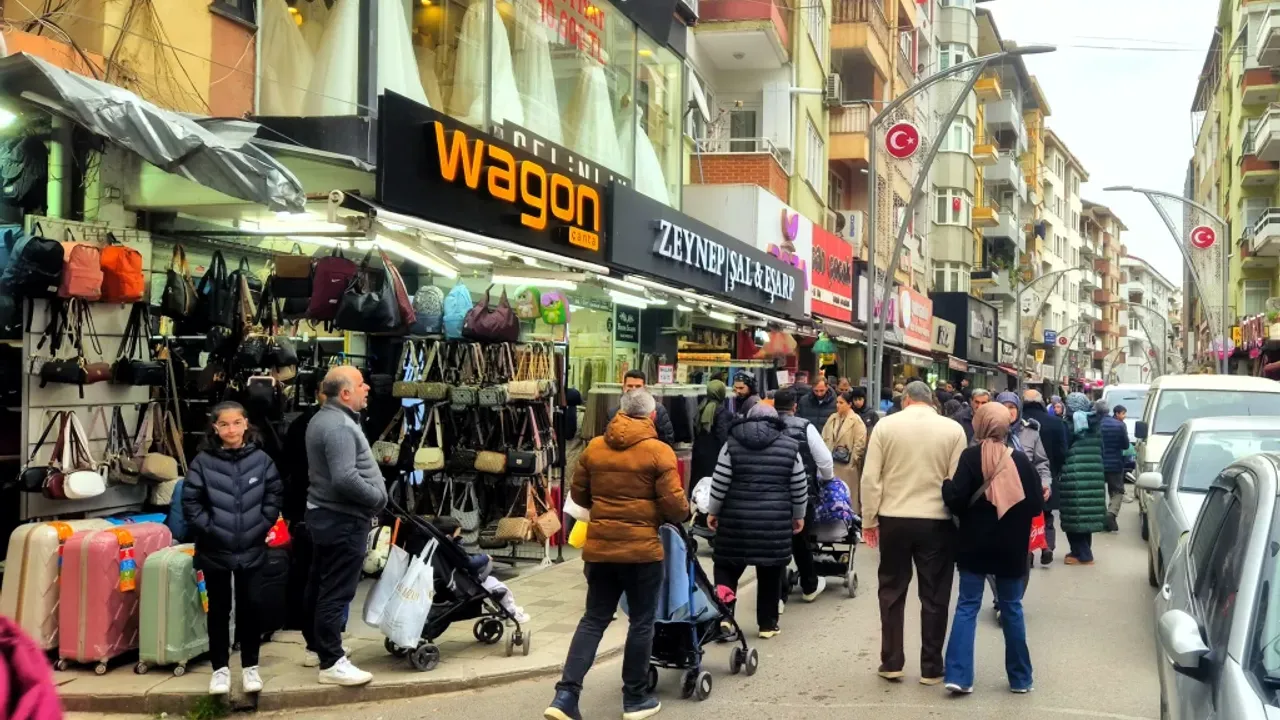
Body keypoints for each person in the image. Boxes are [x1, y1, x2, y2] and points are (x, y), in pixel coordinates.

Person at [544, 389, 688, 720]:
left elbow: (579, 497)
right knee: (641, 622)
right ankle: (635, 699)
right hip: (641, 553)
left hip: (600, 550)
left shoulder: (595, 447)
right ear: (652, 416)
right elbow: (676, 507)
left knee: (593, 620)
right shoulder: (659, 452)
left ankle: (565, 697)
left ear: (619, 413)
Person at [861, 381, 967, 685]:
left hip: (894, 517)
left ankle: (892, 661)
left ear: (906, 399)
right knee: (934, 594)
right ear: (931, 400)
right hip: (936, 520)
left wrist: (869, 520)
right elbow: (955, 480)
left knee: (891, 590)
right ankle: (932, 667)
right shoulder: (952, 430)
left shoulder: (885, 426)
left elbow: (871, 478)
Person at [182, 402, 283, 696]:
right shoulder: (202, 461)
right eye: (224, 424)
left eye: (236, 423)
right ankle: (220, 670)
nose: (231, 429)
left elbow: (274, 494)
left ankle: (250, 667)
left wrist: (262, 524)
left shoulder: (262, 461)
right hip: (215, 548)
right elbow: (191, 502)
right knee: (218, 610)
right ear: (215, 427)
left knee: (252, 608)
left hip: (252, 546)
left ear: (246, 424)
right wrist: (210, 528)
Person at [941, 402, 1042, 695]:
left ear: (981, 425)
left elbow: (956, 500)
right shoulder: (1022, 462)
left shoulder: (971, 458)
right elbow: (1036, 504)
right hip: (1011, 547)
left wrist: (947, 485)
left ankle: (959, 676)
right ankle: (1021, 679)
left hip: (974, 545)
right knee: (1012, 608)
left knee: (967, 606)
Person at [303, 366, 387, 687]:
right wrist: (376, 499)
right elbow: (345, 478)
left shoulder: (325, 418)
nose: (367, 388)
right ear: (345, 393)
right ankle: (331, 661)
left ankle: (317, 646)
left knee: (320, 584)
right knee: (336, 590)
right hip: (342, 520)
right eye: (361, 384)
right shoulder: (338, 426)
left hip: (326, 516)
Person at [707, 403, 807, 640]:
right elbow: (799, 485)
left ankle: (724, 618)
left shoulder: (730, 444)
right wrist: (799, 515)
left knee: (726, 567)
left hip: (735, 518)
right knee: (771, 570)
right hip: (774, 519)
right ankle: (767, 624)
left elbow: (719, 482)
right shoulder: (791, 446)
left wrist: (713, 511)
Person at [774, 388, 836, 604]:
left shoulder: (767, 426)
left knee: (775, 545)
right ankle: (809, 585)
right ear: (795, 406)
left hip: (771, 494)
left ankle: (777, 595)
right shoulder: (805, 427)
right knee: (801, 541)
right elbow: (825, 461)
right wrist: (827, 480)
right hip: (802, 493)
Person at [431, 516, 529, 623]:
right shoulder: (451, 548)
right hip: (466, 585)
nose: (459, 535)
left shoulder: (439, 547)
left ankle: (507, 608)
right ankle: (512, 614)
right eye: (457, 533)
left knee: (493, 584)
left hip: (457, 582)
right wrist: (485, 557)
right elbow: (469, 563)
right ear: (449, 536)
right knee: (502, 588)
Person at [1058, 394, 1108, 565]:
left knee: (1074, 516)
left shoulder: (1069, 425)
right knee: (1087, 518)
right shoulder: (1095, 425)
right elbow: (1102, 449)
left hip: (1074, 476)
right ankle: (1079, 551)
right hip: (1094, 474)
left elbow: (1063, 450)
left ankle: (1084, 555)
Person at [1020, 390, 1067, 565]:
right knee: (1046, 514)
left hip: (1023, 476)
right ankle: (1047, 547)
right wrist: (1056, 470)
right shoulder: (1055, 422)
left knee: (1025, 517)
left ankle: (1029, 551)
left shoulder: (1019, 422)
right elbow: (1062, 451)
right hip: (1047, 474)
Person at [821, 391, 868, 516]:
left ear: (849, 404)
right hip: (831, 462)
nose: (838, 405)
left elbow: (860, 444)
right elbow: (824, 436)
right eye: (837, 402)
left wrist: (852, 462)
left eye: (841, 403)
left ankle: (850, 521)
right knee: (833, 496)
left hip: (847, 466)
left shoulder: (856, 421)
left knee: (848, 496)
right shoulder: (832, 418)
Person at [691, 379, 734, 487]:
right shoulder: (723, 414)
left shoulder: (700, 408)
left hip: (699, 456)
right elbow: (723, 438)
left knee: (699, 487)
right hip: (714, 458)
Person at [615, 370, 675, 445]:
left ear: (644, 388)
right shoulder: (614, 412)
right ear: (624, 387)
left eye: (638, 386)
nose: (633, 389)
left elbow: (667, 440)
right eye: (630, 386)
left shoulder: (658, 409)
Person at [1101, 404, 1131, 532]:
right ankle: (1111, 513)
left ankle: (1102, 518)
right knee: (1117, 491)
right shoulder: (1120, 426)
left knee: (1098, 491)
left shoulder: (1096, 425)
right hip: (1115, 463)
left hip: (1099, 463)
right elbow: (1125, 445)